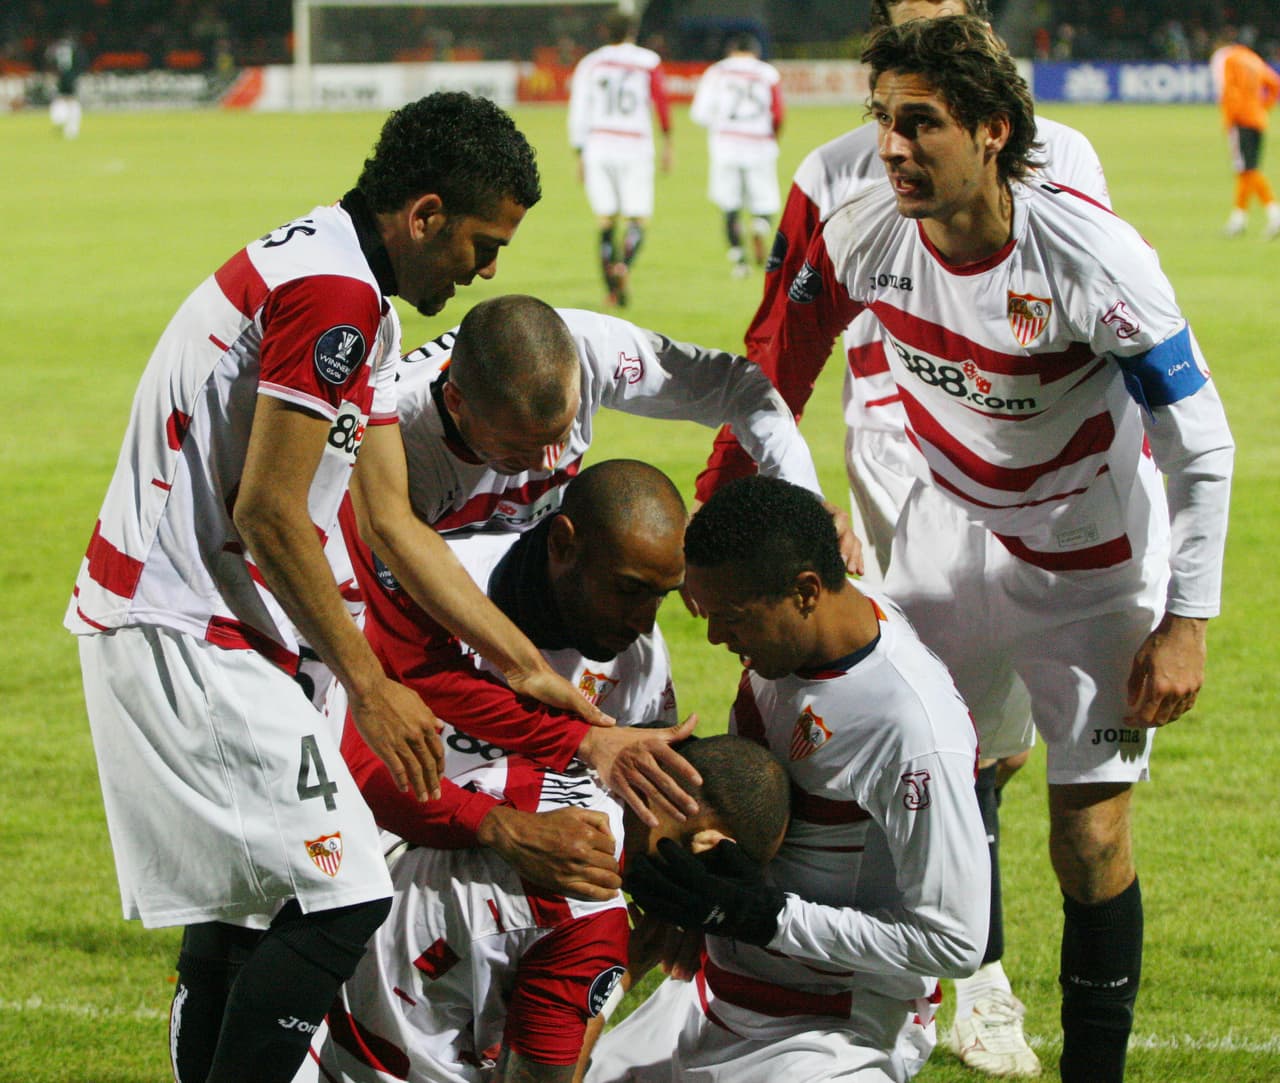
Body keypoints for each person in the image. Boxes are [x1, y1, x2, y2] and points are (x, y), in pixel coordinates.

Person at [63, 92, 616, 1083]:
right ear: (425, 214)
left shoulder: (350, 284)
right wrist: (371, 683)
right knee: (344, 888)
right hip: (189, 630)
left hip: (209, 627)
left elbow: (393, 519)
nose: (488, 270)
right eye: (481, 244)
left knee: (252, 908)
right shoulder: (334, 295)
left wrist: (523, 665)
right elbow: (269, 511)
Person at [734, 18, 1234, 1081]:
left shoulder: (1092, 258)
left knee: (1091, 835)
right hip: (943, 553)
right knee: (934, 792)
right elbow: (774, 369)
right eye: (882, 122)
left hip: (1089, 568)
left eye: (919, 125)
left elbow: (1201, 441)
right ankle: (913, 1020)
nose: (892, 149)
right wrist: (793, 496)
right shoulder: (865, 232)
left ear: (993, 132)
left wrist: (1185, 619)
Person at [694, 2, 1112, 1073]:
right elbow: (774, 352)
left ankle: (952, 952)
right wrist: (738, 504)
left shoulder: (1059, 158)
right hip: (900, 470)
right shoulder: (834, 175)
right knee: (927, 728)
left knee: (1003, 751)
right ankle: (961, 976)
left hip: (1026, 491)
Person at [584, 476, 990, 1083]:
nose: (717, 638)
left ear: (805, 592)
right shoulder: (783, 649)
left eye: (731, 618)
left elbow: (955, 941)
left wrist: (766, 916)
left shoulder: (912, 730)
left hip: (831, 1030)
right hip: (712, 993)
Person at [307, 734, 790, 1083]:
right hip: (371, 1067)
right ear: (708, 846)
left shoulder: (560, 758)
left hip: (315, 1017)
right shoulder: (588, 910)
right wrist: (629, 963)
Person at [568, 12, 672, 306]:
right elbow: (660, 103)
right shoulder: (648, 61)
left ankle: (611, 291)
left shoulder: (590, 64)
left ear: (604, 31)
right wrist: (668, 142)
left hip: (599, 144)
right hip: (635, 145)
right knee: (637, 217)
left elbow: (579, 110)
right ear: (633, 31)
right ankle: (624, 265)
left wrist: (579, 153)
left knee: (605, 219)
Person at [689, 33, 784, 278]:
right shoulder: (767, 73)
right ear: (756, 52)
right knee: (764, 201)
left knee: (729, 205)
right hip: (759, 144)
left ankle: (739, 262)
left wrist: (720, 125)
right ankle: (760, 226)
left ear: (731, 52)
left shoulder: (717, 72)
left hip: (726, 145)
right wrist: (771, 135)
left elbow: (700, 114)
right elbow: (778, 112)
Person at [1210, 26, 1280, 239]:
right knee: (1245, 170)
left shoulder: (1230, 60)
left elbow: (1229, 90)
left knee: (1249, 170)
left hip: (1241, 120)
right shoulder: (1254, 59)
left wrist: (1230, 119)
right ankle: (1238, 219)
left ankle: (1275, 214)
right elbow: (1275, 84)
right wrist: (1263, 105)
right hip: (1258, 118)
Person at [45, 29, 85, 139]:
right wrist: (78, 73)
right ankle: (71, 127)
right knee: (71, 99)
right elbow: (81, 61)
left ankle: (59, 118)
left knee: (61, 97)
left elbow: (49, 59)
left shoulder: (54, 47)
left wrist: (51, 74)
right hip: (71, 75)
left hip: (59, 75)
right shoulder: (75, 47)